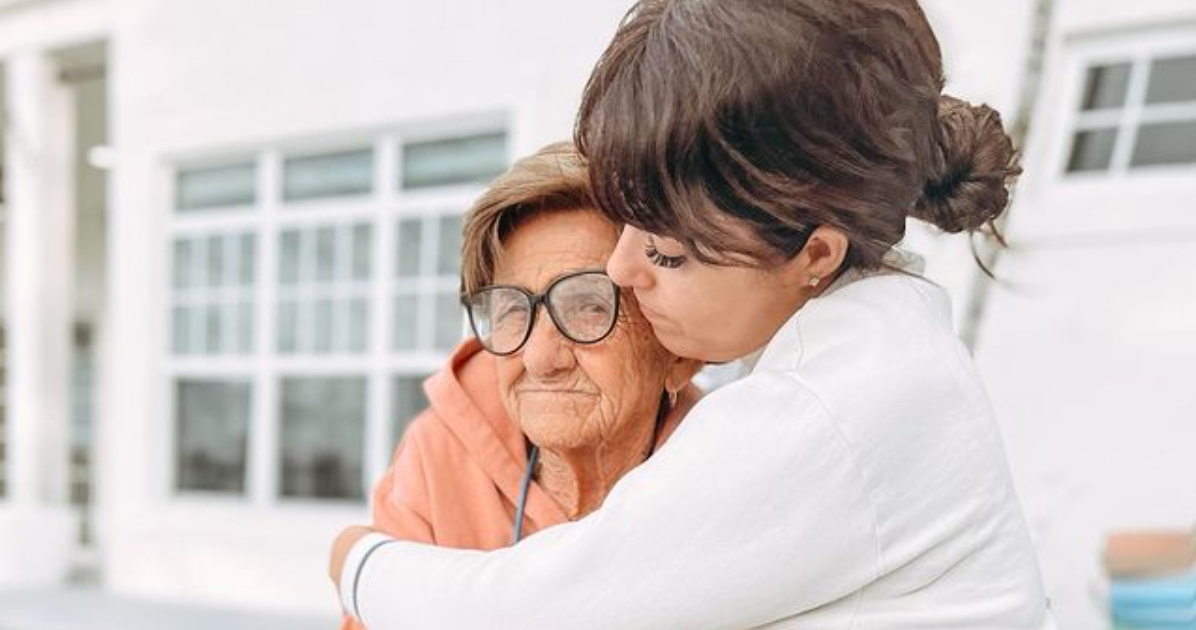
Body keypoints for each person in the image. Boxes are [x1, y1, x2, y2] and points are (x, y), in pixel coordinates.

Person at [329, 0, 1057, 628]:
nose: (622, 270)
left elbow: (529, 614)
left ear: (814, 254)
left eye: (667, 254)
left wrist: (354, 559)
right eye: (626, 229)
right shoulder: (884, 350)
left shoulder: (819, 411)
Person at [337, 142, 701, 630]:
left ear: (679, 352)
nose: (539, 359)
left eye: (589, 305)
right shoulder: (438, 452)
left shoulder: (719, 471)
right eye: (512, 309)